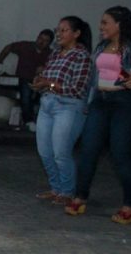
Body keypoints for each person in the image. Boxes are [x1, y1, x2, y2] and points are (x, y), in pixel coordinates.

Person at [67, 6, 131, 223]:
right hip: (100, 101)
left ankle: (130, 205)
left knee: (120, 155)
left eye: (105, 22)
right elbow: (95, 76)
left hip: (126, 104)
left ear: (119, 24)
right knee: (88, 150)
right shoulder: (102, 46)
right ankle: (80, 197)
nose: (101, 27)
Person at [30, 17, 91, 206]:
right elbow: (47, 77)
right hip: (48, 103)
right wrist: (40, 82)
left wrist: (49, 84)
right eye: (58, 30)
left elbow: (78, 89)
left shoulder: (81, 56)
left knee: (61, 152)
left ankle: (67, 191)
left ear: (76, 33)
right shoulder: (55, 54)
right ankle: (56, 188)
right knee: (44, 151)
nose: (59, 34)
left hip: (68, 106)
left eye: (64, 30)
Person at [0, 29, 53, 131]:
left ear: (49, 43)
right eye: (40, 38)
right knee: (26, 92)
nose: (41, 42)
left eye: (45, 41)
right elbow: (8, 48)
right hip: (24, 79)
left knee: (47, 94)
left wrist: (45, 69)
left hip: (41, 81)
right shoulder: (26, 46)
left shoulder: (50, 54)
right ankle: (28, 121)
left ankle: (43, 121)